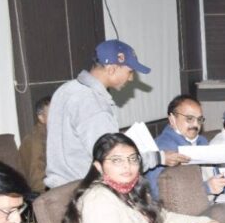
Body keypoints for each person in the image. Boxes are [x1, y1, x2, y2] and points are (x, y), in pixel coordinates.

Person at [63, 133, 225, 223]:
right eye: (116, 161)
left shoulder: (130, 188)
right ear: (99, 167)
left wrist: (204, 222)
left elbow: (164, 219)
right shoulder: (97, 199)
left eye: (133, 159)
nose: (127, 166)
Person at [45, 39, 187, 188]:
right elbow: (115, 160)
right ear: (111, 69)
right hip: (83, 189)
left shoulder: (67, 89)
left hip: (60, 189)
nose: (131, 78)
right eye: (130, 72)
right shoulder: (93, 104)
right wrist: (159, 157)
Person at [145, 96, 225, 198]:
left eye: (199, 119)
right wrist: (206, 188)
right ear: (172, 119)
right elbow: (158, 194)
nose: (196, 124)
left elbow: (217, 179)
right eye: (189, 119)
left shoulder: (201, 141)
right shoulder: (162, 149)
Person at [18, 96, 51, 192]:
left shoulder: (56, 135)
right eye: (54, 114)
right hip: (42, 193)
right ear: (41, 118)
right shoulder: (35, 140)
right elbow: (37, 182)